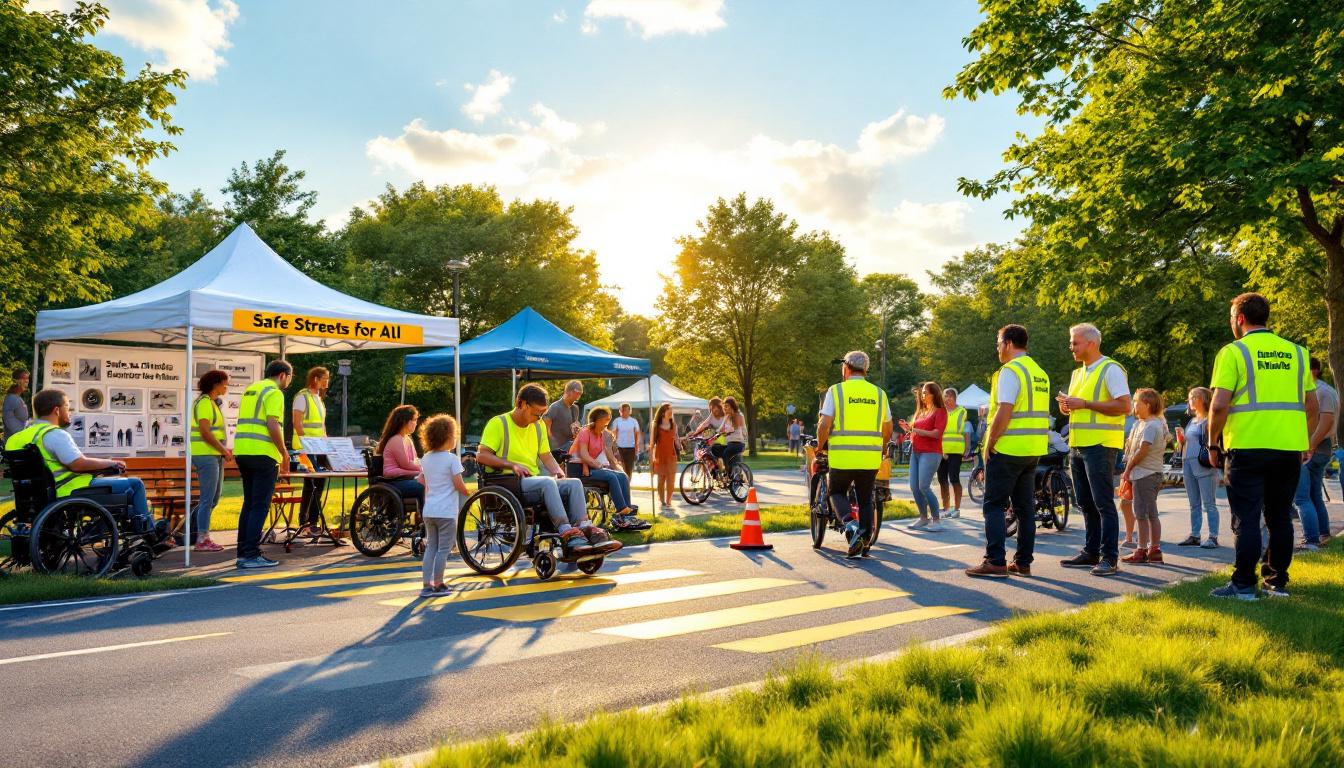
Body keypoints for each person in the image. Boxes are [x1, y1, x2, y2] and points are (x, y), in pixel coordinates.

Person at [1208, 293, 1318, 600]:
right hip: (1287, 449)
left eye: (1232, 317)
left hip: (1247, 446)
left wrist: (1212, 443)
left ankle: (1243, 584)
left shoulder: (1233, 352)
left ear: (1240, 319)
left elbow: (1218, 406)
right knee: (1280, 516)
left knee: (1247, 516)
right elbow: (1313, 405)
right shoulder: (1297, 353)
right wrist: (1304, 439)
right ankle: (1276, 582)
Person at [476, 383, 621, 558]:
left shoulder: (538, 427)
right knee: (547, 482)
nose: (539, 418)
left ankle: (584, 526)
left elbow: (546, 456)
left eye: (542, 414)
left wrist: (558, 471)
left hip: (531, 482)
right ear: (521, 403)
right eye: (536, 413)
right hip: (506, 482)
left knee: (573, 483)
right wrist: (511, 465)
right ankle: (566, 531)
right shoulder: (498, 423)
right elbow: (482, 456)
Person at [5, 389, 156, 531]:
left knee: (124, 495)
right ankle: (148, 532)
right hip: (69, 491)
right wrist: (111, 463)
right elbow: (78, 464)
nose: (69, 412)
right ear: (57, 410)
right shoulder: (54, 434)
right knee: (135, 485)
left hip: (35, 497)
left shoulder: (17, 438)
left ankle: (104, 530)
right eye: (67, 407)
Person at [967, 324, 1051, 578]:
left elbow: (1005, 410)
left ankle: (995, 560)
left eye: (998, 343)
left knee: (993, 505)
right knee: (1025, 509)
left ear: (1009, 343)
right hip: (1032, 449)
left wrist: (990, 442)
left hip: (1008, 448)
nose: (997, 349)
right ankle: (1023, 562)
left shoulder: (1010, 371)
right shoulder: (1039, 372)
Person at [1056, 323, 1131, 577]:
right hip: (1078, 444)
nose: (1071, 347)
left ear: (1091, 343)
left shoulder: (1111, 369)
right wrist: (1068, 406)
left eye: (1075, 343)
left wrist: (1085, 403)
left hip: (1100, 445)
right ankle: (1091, 551)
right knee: (1084, 502)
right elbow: (1080, 406)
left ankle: (1109, 557)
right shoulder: (1078, 374)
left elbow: (1125, 406)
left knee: (1103, 503)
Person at [816, 351, 893, 558]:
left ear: (846, 368)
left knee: (837, 492)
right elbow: (888, 427)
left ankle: (851, 527)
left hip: (842, 456)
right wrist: (883, 447)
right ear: (865, 369)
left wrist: (820, 445)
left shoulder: (837, 391)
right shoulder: (879, 393)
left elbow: (824, 423)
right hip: (869, 457)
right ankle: (865, 540)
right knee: (866, 498)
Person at [233, 360, 293, 569]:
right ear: (283, 375)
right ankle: (251, 554)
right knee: (260, 505)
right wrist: (284, 452)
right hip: (264, 453)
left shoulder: (252, 389)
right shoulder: (275, 392)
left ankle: (243, 551)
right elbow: (272, 424)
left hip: (242, 450)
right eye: (289, 378)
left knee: (249, 503)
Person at [417, 414, 470, 597]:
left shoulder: (426, 458)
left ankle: (426, 584)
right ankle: (439, 583)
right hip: (446, 512)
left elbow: (423, 480)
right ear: (448, 437)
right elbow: (458, 483)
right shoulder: (452, 460)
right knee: (443, 549)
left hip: (429, 510)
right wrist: (467, 492)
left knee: (431, 546)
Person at [575, 407, 649, 531]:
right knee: (611, 476)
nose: (606, 424)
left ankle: (628, 515)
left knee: (622, 476)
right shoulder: (584, 433)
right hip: (581, 469)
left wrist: (618, 468)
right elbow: (583, 454)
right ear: (596, 420)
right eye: (605, 420)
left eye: (608, 420)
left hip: (593, 467)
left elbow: (610, 457)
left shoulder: (600, 436)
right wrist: (597, 464)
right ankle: (622, 511)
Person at [1119, 388, 1171, 564]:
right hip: (1147, 474)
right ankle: (1153, 550)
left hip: (1145, 474)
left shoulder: (1151, 425)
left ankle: (1142, 550)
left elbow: (1142, 451)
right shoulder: (1145, 423)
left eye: (1136, 402)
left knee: (1142, 514)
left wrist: (1127, 470)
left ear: (1147, 405)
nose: (1134, 405)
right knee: (1149, 513)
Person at [1293, 357, 1337, 550]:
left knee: (1302, 498)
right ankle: (1322, 534)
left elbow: (1326, 421)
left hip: (1315, 449)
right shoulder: (1326, 389)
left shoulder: (1320, 391)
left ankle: (1311, 539)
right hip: (1320, 448)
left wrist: (1309, 446)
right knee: (1314, 495)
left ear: (1313, 371)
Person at [189, 369, 231, 552]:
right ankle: (202, 538)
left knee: (213, 499)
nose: (226, 386)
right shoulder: (205, 403)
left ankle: (190, 532)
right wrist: (222, 449)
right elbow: (205, 432)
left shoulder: (212, 403)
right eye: (225, 383)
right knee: (207, 499)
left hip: (213, 455)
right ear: (216, 384)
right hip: (206, 455)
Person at [1176, 387, 1220, 549]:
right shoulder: (1191, 421)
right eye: (1190, 397)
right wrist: (1180, 439)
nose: (1191, 400)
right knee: (1194, 503)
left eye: (1195, 397)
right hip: (1187, 461)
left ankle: (1213, 536)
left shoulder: (1209, 419)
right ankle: (1195, 535)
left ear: (1204, 399)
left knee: (1209, 503)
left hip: (1203, 463)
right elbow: (1186, 444)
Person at [901, 382, 947, 532]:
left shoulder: (940, 411)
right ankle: (923, 518)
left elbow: (937, 434)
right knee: (914, 486)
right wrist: (909, 430)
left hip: (931, 452)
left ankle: (936, 520)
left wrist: (917, 430)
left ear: (934, 394)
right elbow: (917, 430)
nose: (923, 395)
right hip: (916, 451)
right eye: (922, 393)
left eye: (926, 392)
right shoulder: (921, 412)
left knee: (924, 486)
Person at [292, 366, 330, 537]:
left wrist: (326, 441)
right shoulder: (302, 397)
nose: (327, 382)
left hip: (319, 447)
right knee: (310, 485)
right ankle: (305, 523)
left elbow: (321, 425)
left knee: (319, 484)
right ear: (315, 379)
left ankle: (313, 522)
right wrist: (306, 444)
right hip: (306, 447)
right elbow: (297, 423)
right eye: (325, 379)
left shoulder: (318, 398)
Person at [377, 405, 426, 509]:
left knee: (430, 482)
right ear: (405, 421)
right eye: (414, 420)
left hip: (404, 479)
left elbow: (415, 460)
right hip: (394, 482)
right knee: (424, 486)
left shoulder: (407, 439)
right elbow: (407, 464)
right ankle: (425, 518)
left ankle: (425, 518)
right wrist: (424, 470)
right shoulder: (396, 440)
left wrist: (424, 468)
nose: (416, 423)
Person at [937, 387, 973, 519]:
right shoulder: (940, 411)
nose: (946, 399)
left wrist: (967, 448)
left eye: (949, 396)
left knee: (954, 478)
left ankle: (957, 508)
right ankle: (946, 508)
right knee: (941, 479)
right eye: (945, 396)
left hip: (956, 450)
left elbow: (965, 431)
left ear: (954, 398)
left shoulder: (962, 411)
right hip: (941, 450)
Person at [649, 402, 681, 511]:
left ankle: (668, 501)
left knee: (671, 480)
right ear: (663, 412)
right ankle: (662, 500)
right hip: (659, 455)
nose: (671, 412)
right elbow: (652, 443)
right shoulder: (656, 425)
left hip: (671, 455)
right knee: (660, 480)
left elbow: (676, 438)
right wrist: (651, 459)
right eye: (669, 410)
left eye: (672, 410)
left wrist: (680, 444)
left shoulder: (673, 425)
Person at [543, 380, 583, 464]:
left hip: (570, 447)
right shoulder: (555, 407)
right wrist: (553, 449)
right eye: (577, 392)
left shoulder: (575, 409)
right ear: (568, 392)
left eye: (580, 393)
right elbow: (545, 429)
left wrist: (578, 431)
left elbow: (574, 428)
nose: (579, 395)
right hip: (556, 450)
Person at [687, 397, 728, 466]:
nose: (714, 410)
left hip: (724, 437)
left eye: (715, 407)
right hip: (715, 436)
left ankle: (718, 465)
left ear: (719, 406)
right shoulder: (712, 414)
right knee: (702, 443)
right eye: (711, 408)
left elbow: (725, 428)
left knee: (714, 451)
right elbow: (704, 424)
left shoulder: (725, 415)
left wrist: (717, 433)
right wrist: (695, 433)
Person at [611, 403, 642, 480]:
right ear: (620, 411)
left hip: (631, 448)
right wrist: (614, 448)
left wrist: (637, 447)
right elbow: (613, 434)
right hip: (619, 448)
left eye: (626, 410)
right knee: (620, 468)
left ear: (629, 411)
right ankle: (622, 484)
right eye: (622, 410)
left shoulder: (633, 421)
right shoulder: (617, 421)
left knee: (629, 469)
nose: (624, 412)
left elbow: (637, 434)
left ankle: (628, 485)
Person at [721, 396, 748, 472]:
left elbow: (734, 428)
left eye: (727, 406)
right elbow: (721, 428)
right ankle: (728, 473)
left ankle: (727, 473)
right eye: (724, 406)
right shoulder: (727, 416)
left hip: (739, 443)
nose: (725, 408)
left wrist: (725, 432)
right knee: (718, 450)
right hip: (731, 443)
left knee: (726, 453)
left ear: (732, 406)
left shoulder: (739, 415)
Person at [4, 369, 30, 439]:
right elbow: (8, 420)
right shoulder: (11, 398)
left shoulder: (17, 398)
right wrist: (23, 435)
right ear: (16, 381)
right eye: (23, 378)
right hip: (13, 443)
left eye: (27, 378)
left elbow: (22, 421)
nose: (27, 381)